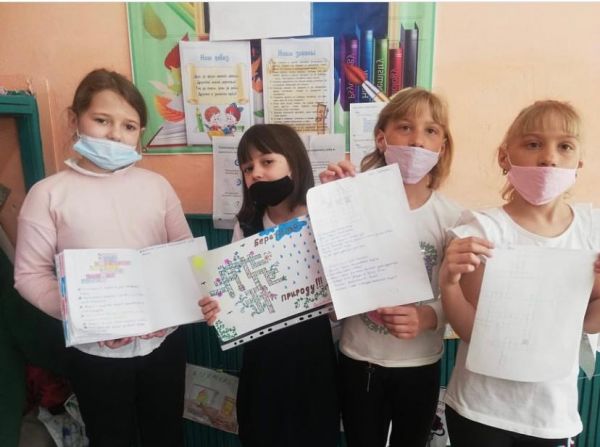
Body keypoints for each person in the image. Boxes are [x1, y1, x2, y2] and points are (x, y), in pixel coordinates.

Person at [14, 68, 192, 447]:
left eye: (129, 126)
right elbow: (29, 275)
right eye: (102, 120)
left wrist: (172, 311)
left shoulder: (156, 187)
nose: (115, 134)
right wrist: (85, 315)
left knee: (167, 435)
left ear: (140, 133)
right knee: (111, 438)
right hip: (94, 352)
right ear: (74, 120)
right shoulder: (48, 194)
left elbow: (184, 255)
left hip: (162, 344)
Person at [439, 100, 600, 447]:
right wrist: (448, 283)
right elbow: (471, 331)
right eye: (533, 144)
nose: (549, 158)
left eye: (565, 146)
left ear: (578, 164)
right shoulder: (482, 229)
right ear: (504, 156)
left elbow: (589, 324)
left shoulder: (591, 230)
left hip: (550, 413)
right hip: (481, 407)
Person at [319, 87, 462, 447]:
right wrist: (330, 204)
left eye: (431, 130)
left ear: (442, 146)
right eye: (405, 127)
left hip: (419, 363)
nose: (417, 140)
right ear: (382, 138)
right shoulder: (354, 198)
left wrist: (427, 317)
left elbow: (459, 297)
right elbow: (326, 273)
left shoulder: (452, 218)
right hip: (358, 358)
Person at [199, 124, 339, 447]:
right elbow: (233, 297)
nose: (256, 173)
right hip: (262, 361)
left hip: (313, 357)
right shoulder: (246, 224)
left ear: (294, 162)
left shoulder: (323, 217)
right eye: (248, 168)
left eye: (267, 161)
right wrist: (218, 308)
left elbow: (342, 300)